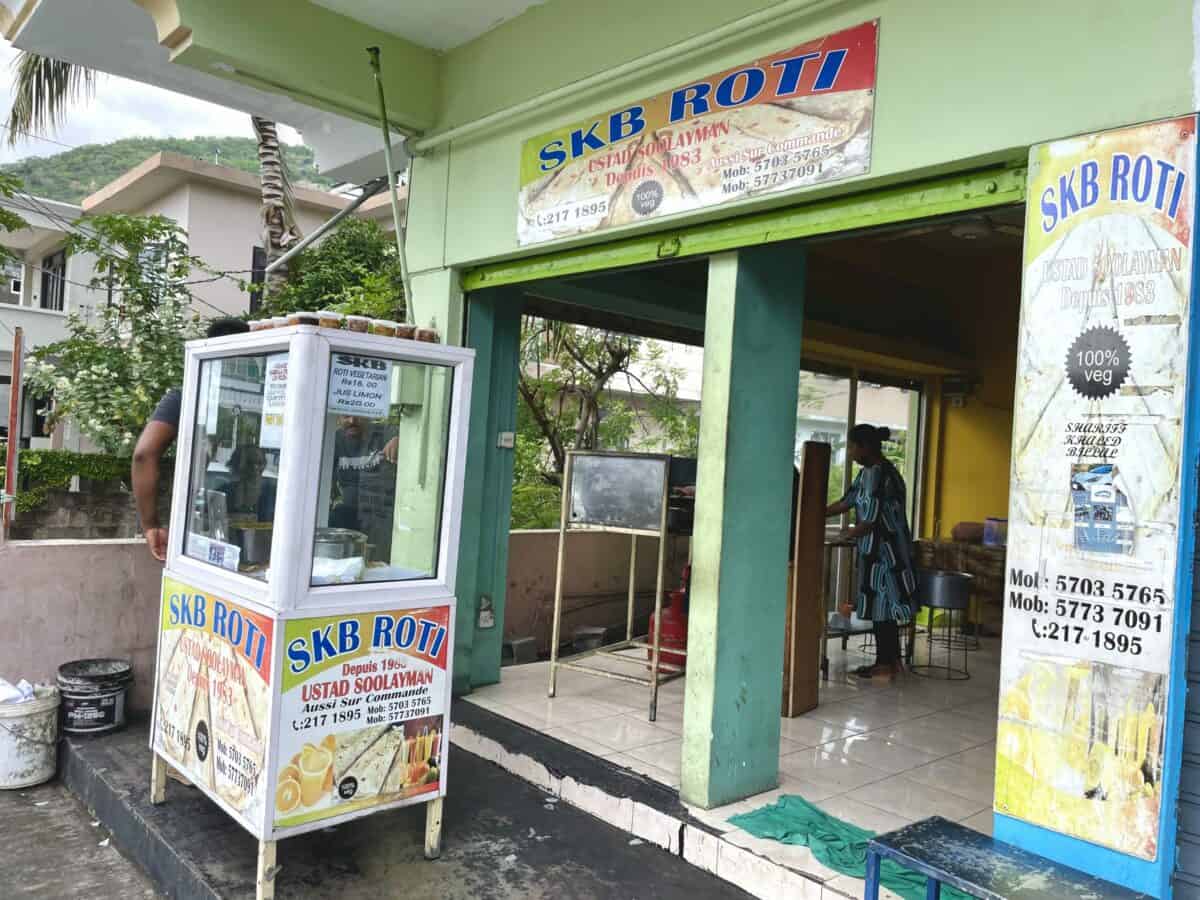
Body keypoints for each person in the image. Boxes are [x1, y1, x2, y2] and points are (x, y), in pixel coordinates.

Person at [132, 317, 250, 560]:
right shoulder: (260, 398)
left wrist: (151, 525)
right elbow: (143, 455)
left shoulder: (187, 395)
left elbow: (144, 454)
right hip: (241, 521)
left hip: (192, 525)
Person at [825, 424, 918, 678]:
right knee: (885, 610)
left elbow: (871, 519)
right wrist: (816, 511)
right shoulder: (876, 472)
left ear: (865, 446)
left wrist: (848, 534)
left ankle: (884, 664)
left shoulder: (878, 475)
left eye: (853, 447)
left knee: (882, 609)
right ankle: (892, 662)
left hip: (886, 554)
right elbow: (847, 501)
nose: (852, 453)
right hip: (886, 551)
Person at [329, 415, 399, 561]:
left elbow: (414, 433)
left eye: (357, 415)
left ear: (368, 414)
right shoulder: (334, 439)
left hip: (380, 517)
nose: (352, 421)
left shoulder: (385, 434)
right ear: (338, 418)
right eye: (346, 416)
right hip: (348, 517)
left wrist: (401, 439)